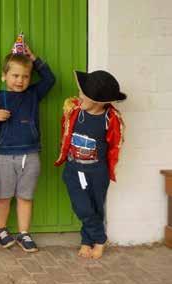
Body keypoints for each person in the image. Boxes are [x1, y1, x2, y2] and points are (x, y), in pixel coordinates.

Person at [0, 45, 55, 252]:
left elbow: (50, 80)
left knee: (25, 197)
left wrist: (35, 59)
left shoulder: (33, 94)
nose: (20, 80)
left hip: (30, 154)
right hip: (4, 155)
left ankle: (24, 233)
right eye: (15, 75)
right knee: (4, 196)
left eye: (25, 76)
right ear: (4, 76)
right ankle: (2, 229)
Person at [55, 70, 126, 259]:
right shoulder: (74, 112)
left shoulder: (109, 119)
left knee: (95, 207)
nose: (79, 96)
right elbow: (65, 134)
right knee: (82, 207)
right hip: (74, 169)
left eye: (82, 94)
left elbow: (114, 145)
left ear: (98, 100)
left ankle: (87, 241)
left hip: (97, 171)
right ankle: (100, 238)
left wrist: (107, 169)